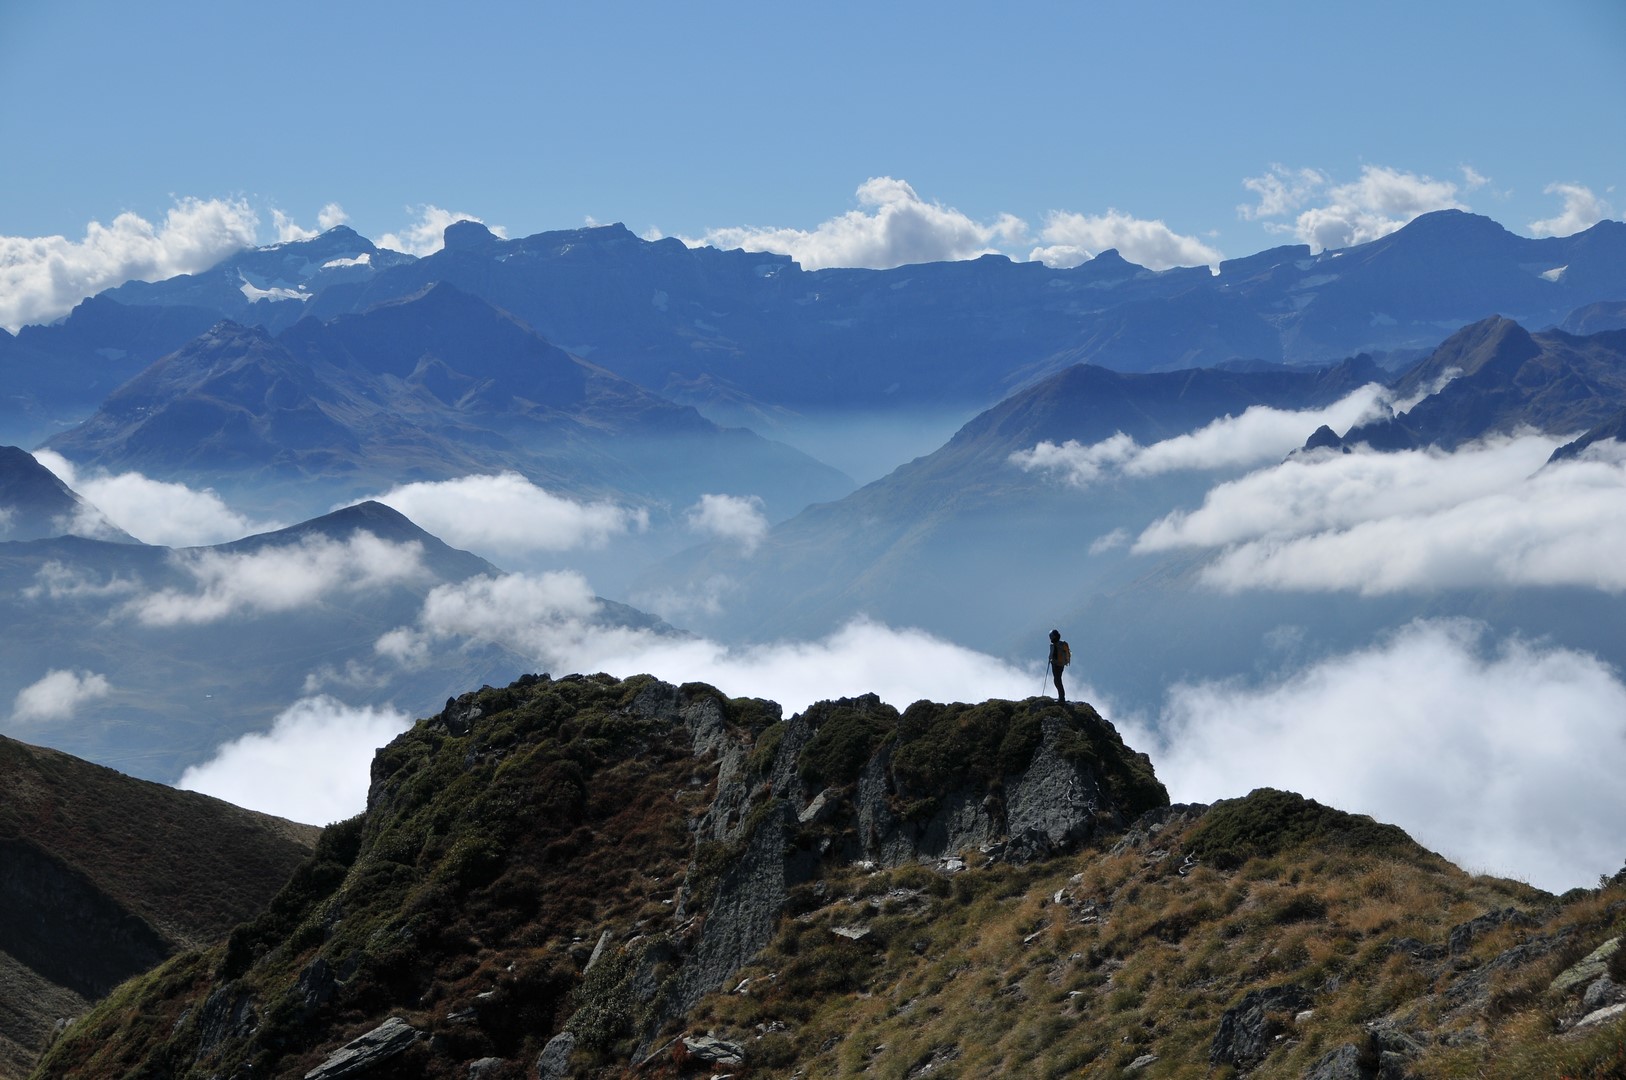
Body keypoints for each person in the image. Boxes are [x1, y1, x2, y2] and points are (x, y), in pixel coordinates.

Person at [1048, 629, 1070, 704]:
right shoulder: (1061, 644)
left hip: (1056, 665)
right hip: (1061, 664)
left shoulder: (1054, 646)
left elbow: (1051, 656)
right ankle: (1061, 697)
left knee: (1057, 681)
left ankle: (1061, 698)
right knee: (1058, 680)